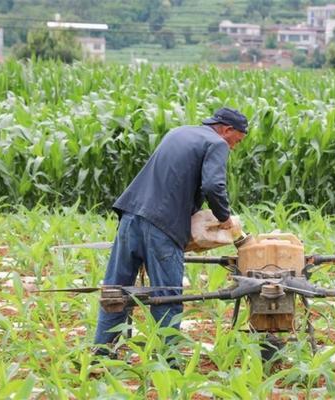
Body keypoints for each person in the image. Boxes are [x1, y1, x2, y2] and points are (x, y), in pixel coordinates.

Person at [93, 107, 248, 351]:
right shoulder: (216, 144)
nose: (233, 147)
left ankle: (101, 353)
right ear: (226, 129)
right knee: (168, 296)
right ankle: (168, 361)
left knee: (115, 291)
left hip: (131, 215)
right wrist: (224, 217)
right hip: (163, 226)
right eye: (236, 141)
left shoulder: (178, 132)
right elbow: (212, 185)